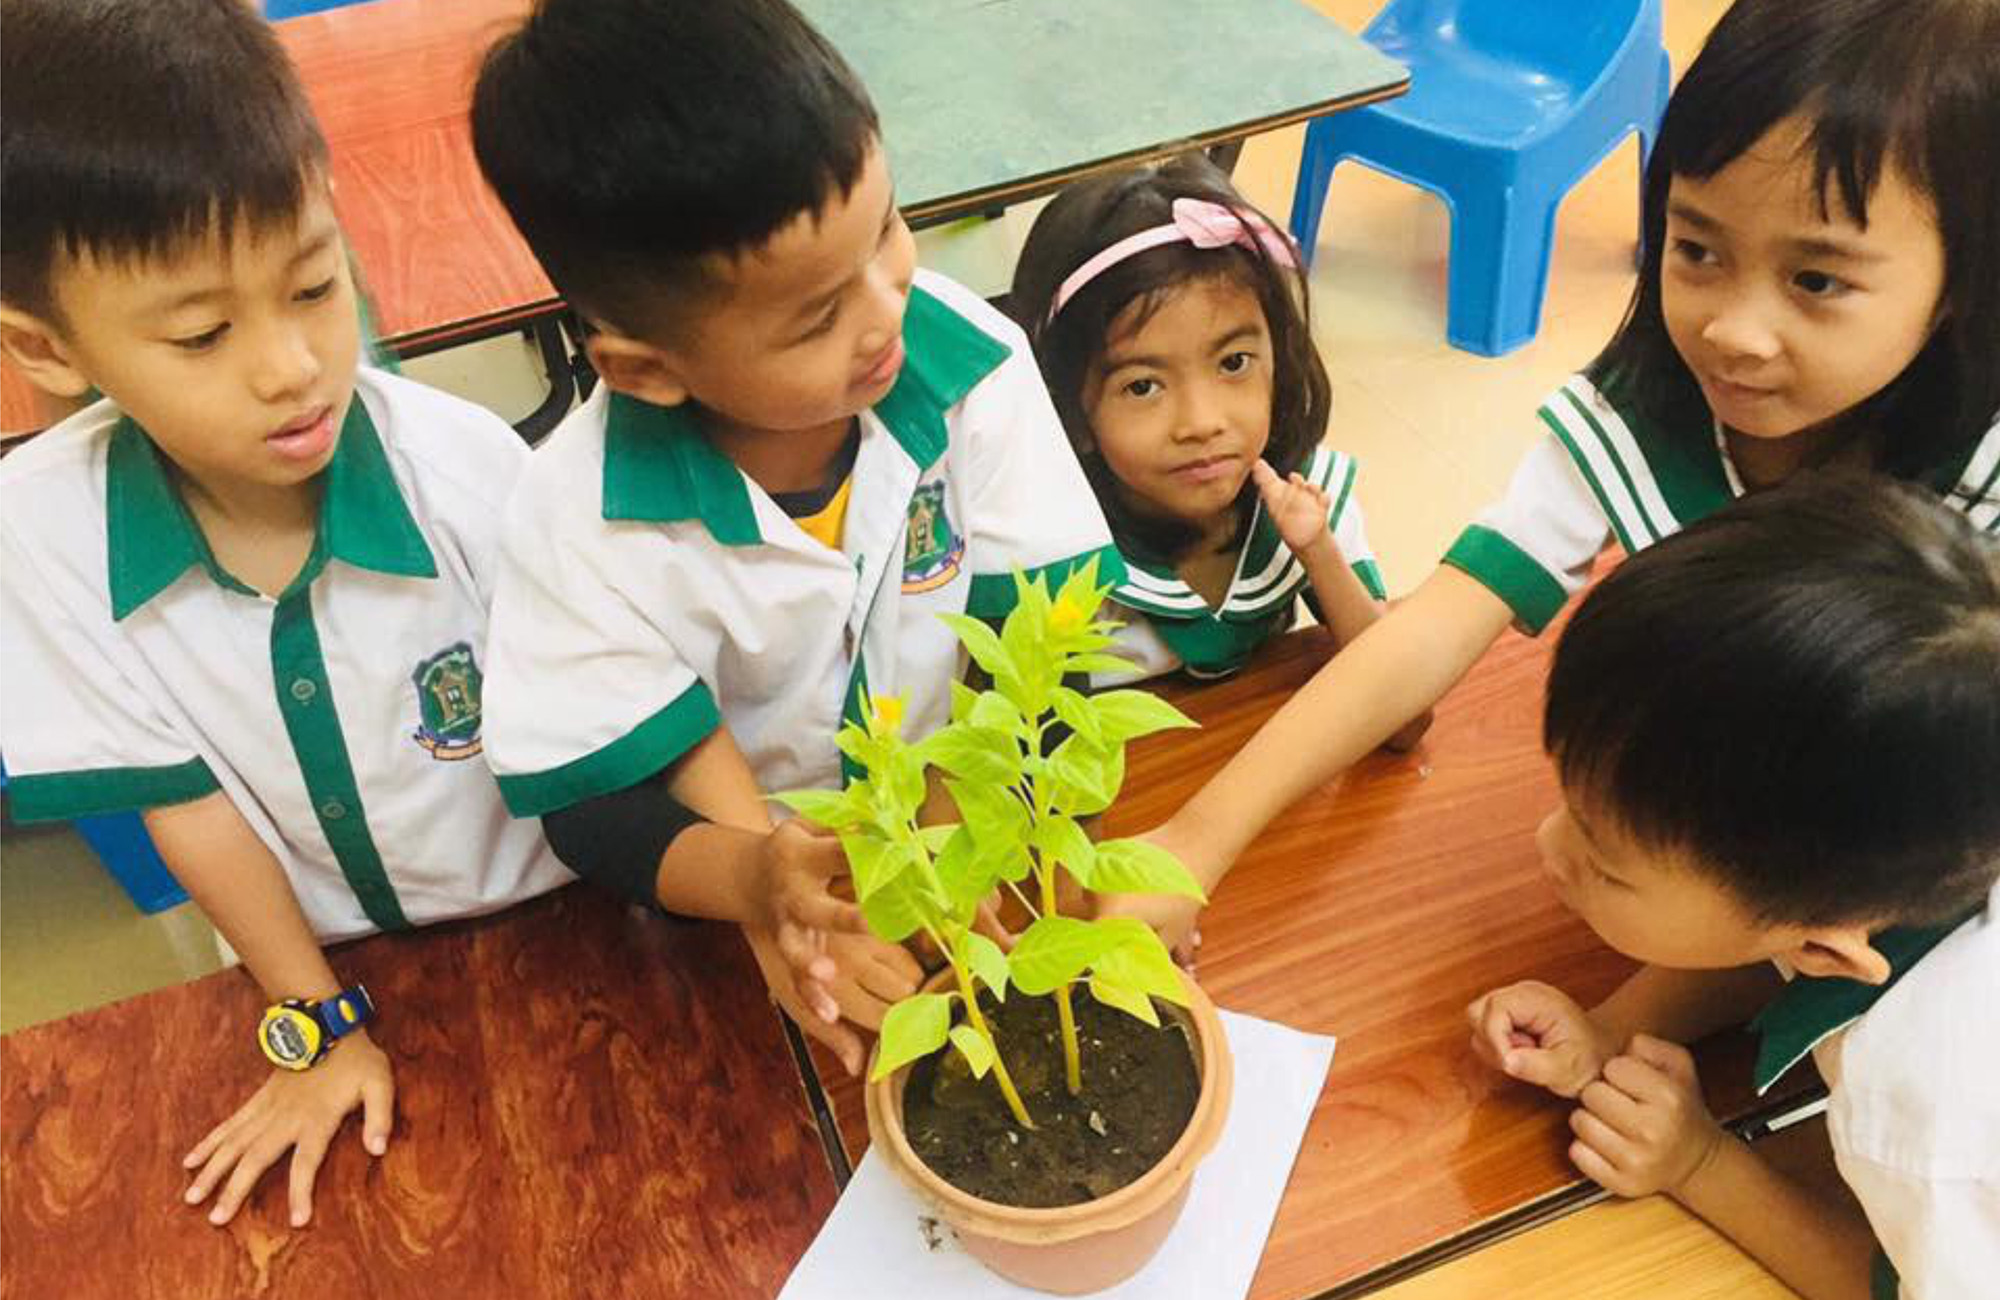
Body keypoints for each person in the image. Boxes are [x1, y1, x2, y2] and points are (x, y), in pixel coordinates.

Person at [1118, 0, 2000, 951]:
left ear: (1964, 276)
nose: (1733, 332)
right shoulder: (1651, 408)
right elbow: (1441, 619)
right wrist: (1193, 842)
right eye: (1696, 249)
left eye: (1816, 281)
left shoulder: (1977, 503)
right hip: (1705, 880)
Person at [0, 0, 589, 1229]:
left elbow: (604, 728)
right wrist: (313, 1026)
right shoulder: (39, 531)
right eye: (203, 334)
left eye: (315, 285)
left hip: (563, 920)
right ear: (44, 348)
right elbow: (186, 805)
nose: (291, 366)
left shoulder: (468, 472)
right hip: (316, 964)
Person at [467, 0, 1122, 1072]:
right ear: (647, 369)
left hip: (956, 829)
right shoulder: (574, 516)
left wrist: (956, 847)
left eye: (888, 230)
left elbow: (1043, 651)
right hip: (732, 899)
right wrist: (763, 891)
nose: (884, 313)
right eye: (816, 317)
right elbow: (592, 806)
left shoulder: (975, 367)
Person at [1466, 474, 2000, 1300]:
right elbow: (1765, 940)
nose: (1547, 846)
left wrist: (1701, 1163)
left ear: (1827, 947)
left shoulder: (1929, 1126)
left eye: (1606, 862)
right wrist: (1613, 1027)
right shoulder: (1919, 817)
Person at [1008, 157, 1414, 697]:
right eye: (1142, 386)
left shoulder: (1304, 496)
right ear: (1070, 411)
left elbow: (1401, 705)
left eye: (1233, 362)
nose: (1201, 423)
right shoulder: (1048, 554)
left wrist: (1319, 552)